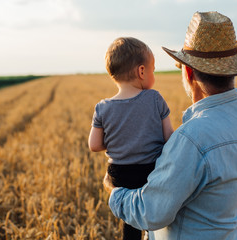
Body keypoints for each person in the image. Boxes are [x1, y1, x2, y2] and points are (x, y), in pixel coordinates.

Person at [104, 11, 237, 240]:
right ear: (232, 70)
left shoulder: (192, 138)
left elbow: (151, 212)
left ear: (188, 72)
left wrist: (115, 192)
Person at [88, 37, 174, 240]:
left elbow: (94, 145)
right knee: (154, 214)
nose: (153, 75)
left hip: (120, 174)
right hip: (150, 170)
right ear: (141, 71)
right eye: (153, 70)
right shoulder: (154, 98)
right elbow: (169, 138)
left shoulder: (102, 107)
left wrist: (121, 141)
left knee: (131, 218)